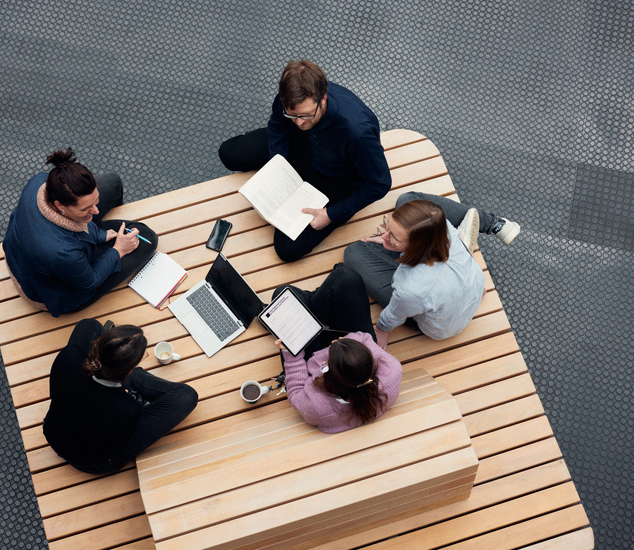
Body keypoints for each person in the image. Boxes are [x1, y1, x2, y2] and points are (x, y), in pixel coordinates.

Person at [219, 60, 392, 262]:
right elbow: (278, 125)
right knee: (229, 153)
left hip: (338, 179)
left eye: (306, 115)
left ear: (323, 97)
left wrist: (331, 214)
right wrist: (278, 163)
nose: (299, 122)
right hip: (302, 145)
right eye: (292, 115)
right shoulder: (291, 100)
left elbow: (379, 184)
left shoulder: (357, 132)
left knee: (286, 249)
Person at [344, 191, 521, 344]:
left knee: (353, 253)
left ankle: (453, 249)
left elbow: (396, 313)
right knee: (409, 200)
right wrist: (393, 240)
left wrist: (382, 329)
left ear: (416, 247)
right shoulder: (442, 227)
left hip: (440, 327)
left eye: (393, 237)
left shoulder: (410, 289)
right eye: (387, 228)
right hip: (472, 288)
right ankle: (484, 230)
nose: (384, 236)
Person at [3, 148, 158, 317]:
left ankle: (90, 211)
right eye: (86, 208)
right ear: (60, 205)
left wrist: (98, 234)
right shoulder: (62, 253)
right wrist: (119, 249)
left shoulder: (40, 182)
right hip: (51, 290)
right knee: (147, 238)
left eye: (96, 200)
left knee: (113, 183)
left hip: (30, 252)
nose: (96, 211)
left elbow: (72, 221)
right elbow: (90, 282)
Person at [43, 318, 198, 474]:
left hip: (53, 432)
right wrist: (123, 395)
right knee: (186, 396)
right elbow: (118, 444)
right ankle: (134, 378)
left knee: (88, 325)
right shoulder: (128, 409)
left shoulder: (70, 354)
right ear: (128, 370)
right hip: (92, 461)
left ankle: (122, 372)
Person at [272, 265, 402, 433]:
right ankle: (320, 305)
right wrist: (350, 341)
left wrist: (291, 353)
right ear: (367, 361)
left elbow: (296, 392)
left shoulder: (318, 407)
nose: (334, 343)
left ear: (329, 375)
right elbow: (364, 338)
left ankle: (318, 305)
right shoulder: (392, 373)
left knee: (283, 295)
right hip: (348, 361)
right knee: (346, 276)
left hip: (308, 361)